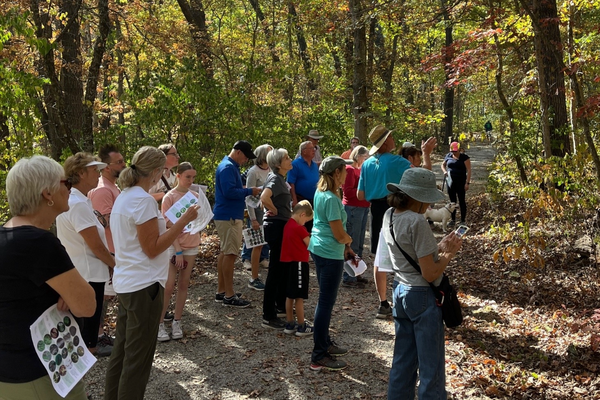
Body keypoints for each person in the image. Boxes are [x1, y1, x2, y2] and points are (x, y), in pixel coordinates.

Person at [104, 146, 198, 400]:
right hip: (143, 286)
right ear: (156, 172)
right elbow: (152, 248)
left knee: (122, 353)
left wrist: (168, 225)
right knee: (138, 359)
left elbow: (143, 240)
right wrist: (182, 221)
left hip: (129, 281)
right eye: (164, 171)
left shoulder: (126, 195)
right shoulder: (142, 200)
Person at [0, 155, 95, 400]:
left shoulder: (7, 236)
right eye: (66, 183)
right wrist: (66, 292)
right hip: (44, 375)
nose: (70, 188)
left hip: (11, 372)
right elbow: (86, 305)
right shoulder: (39, 243)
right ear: (48, 194)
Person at [383, 168, 462, 399]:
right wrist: (450, 254)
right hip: (422, 297)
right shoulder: (417, 221)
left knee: (403, 362)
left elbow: (408, 251)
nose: (429, 206)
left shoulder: (389, 215)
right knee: (432, 368)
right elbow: (429, 273)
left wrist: (438, 247)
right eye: (426, 200)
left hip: (400, 290)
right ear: (416, 197)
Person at [358, 125, 437, 319]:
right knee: (406, 252)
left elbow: (361, 195)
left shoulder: (367, 164)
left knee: (380, 256)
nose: (394, 139)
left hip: (376, 212)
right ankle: (405, 295)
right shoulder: (396, 161)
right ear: (385, 142)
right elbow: (424, 174)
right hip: (397, 207)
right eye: (391, 136)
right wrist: (426, 154)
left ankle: (383, 303)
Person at [56, 153, 115, 358]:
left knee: (85, 326)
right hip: (87, 273)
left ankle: (88, 350)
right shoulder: (78, 203)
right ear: (80, 173)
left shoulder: (79, 200)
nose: (98, 174)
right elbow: (96, 246)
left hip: (85, 271)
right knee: (86, 329)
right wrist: (115, 264)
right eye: (93, 170)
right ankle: (87, 360)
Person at [308, 156, 354, 372]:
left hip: (320, 249)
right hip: (328, 253)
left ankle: (325, 343)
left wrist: (346, 246)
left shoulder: (322, 193)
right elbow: (338, 233)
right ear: (337, 173)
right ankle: (318, 355)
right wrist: (348, 240)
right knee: (325, 303)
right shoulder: (332, 199)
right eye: (345, 171)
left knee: (325, 302)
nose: (346, 175)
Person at [158, 162, 203, 342]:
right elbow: (168, 224)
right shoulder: (169, 197)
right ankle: (160, 322)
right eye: (187, 177)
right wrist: (177, 250)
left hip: (191, 244)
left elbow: (198, 221)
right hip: (173, 245)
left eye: (193, 178)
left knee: (183, 284)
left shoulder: (195, 196)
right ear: (178, 176)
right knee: (169, 285)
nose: (191, 181)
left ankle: (177, 320)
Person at [213, 141, 261, 308]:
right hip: (229, 216)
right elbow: (229, 192)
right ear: (238, 152)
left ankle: (221, 291)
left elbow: (231, 188)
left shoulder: (229, 166)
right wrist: (249, 191)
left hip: (228, 214)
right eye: (246, 156)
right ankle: (229, 295)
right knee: (231, 254)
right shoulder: (227, 167)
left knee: (225, 252)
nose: (246, 160)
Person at [88, 144, 125, 343]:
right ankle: (98, 335)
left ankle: (99, 333)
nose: (123, 164)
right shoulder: (102, 190)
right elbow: (102, 222)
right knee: (103, 296)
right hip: (109, 252)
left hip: (115, 250)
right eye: (119, 162)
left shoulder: (113, 186)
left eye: (123, 160)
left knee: (107, 296)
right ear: (106, 167)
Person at [260, 148, 293, 330]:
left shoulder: (281, 180)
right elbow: (264, 197)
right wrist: (275, 210)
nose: (290, 160)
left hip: (280, 225)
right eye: (286, 158)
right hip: (276, 226)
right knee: (275, 270)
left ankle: (280, 306)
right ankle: (268, 315)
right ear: (278, 164)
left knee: (282, 267)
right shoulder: (275, 179)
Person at [241, 144, 272, 291]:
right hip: (257, 212)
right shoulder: (253, 172)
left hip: (267, 211)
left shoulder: (271, 169)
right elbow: (249, 196)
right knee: (257, 244)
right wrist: (252, 219)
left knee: (265, 242)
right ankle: (253, 278)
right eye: (269, 153)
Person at [281, 200, 314, 336]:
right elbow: (310, 245)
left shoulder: (288, 225)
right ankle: (301, 325)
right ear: (302, 215)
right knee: (299, 297)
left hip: (287, 264)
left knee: (289, 296)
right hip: (299, 264)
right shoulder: (300, 229)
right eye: (306, 220)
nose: (305, 223)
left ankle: (290, 323)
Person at [341, 145, 370, 288]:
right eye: (365, 157)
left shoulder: (360, 170)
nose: (366, 160)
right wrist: (364, 190)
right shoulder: (350, 170)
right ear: (358, 156)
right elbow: (348, 191)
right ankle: (348, 277)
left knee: (359, 243)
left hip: (363, 207)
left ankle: (357, 273)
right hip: (353, 208)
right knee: (351, 242)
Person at [441, 141, 471, 225]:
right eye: (452, 151)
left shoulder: (464, 157)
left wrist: (467, 183)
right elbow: (442, 165)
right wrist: (444, 171)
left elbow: (469, 170)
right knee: (452, 201)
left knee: (461, 201)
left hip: (461, 182)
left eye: (455, 151)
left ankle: (462, 220)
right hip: (450, 182)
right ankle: (453, 219)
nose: (454, 153)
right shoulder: (448, 156)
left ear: (459, 150)